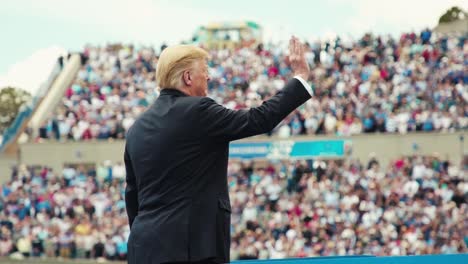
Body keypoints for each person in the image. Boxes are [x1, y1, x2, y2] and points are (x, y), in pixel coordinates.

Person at [124, 36, 313, 264]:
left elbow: (132, 196)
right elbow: (258, 119)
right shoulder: (198, 111)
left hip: (143, 249)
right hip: (192, 250)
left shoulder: (136, 128)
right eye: (204, 70)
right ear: (188, 77)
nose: (209, 76)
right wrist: (300, 78)